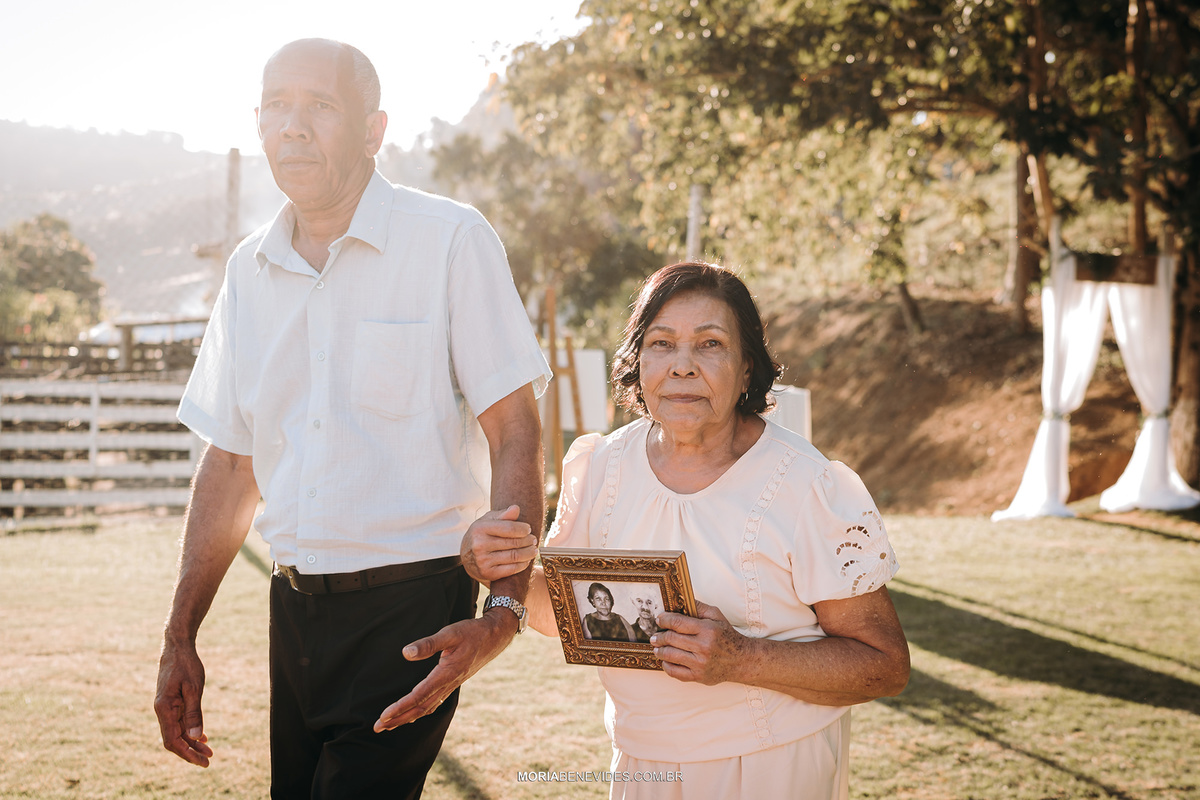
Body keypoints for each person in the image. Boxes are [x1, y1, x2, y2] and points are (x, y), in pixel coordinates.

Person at [153, 38, 550, 800]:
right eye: (276, 106)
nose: (292, 127)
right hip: (292, 608)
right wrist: (179, 638)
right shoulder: (248, 270)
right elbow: (232, 465)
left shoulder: (451, 241)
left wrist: (501, 611)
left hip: (410, 610)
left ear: (374, 131)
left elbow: (515, 430)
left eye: (320, 107)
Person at [465, 262, 910, 800]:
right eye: (662, 343)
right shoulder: (601, 467)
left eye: (710, 344)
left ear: (747, 369)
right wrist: (496, 567)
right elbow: (568, 614)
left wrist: (741, 657)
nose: (682, 366)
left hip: (772, 769)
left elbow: (884, 666)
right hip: (640, 767)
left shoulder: (806, 484)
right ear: (636, 362)